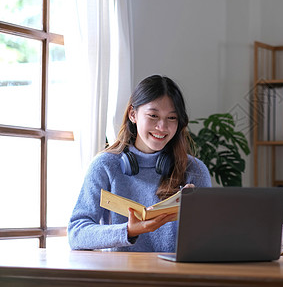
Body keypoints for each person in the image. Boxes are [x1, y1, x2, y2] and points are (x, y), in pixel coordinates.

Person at [68, 75, 212, 252]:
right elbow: (76, 233)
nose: (162, 127)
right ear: (133, 114)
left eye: (172, 118)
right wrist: (128, 231)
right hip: (121, 277)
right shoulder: (105, 166)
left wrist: (195, 215)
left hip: (176, 277)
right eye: (153, 115)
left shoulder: (194, 170)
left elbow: (208, 241)